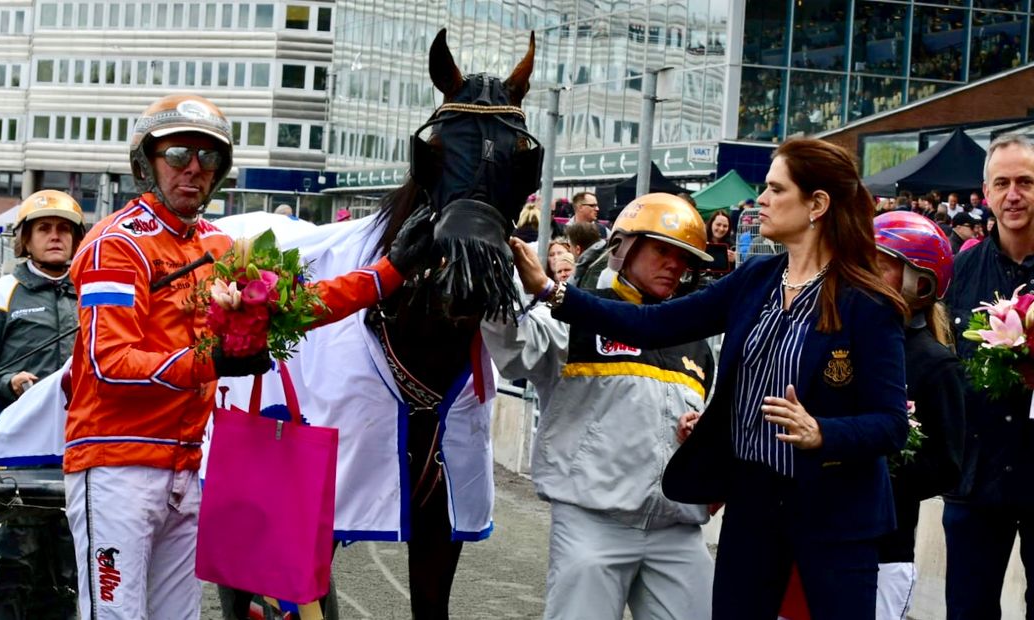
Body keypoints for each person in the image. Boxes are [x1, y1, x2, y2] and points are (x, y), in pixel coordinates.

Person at [63, 93, 435, 619]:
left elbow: (294, 307)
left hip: (186, 467)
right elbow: (110, 364)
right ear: (147, 162)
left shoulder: (218, 246)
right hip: (116, 467)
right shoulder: (116, 245)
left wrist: (387, 274)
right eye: (178, 155)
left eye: (209, 158)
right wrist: (214, 362)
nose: (194, 169)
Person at [511, 138, 909, 619]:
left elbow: (891, 424)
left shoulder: (868, 302)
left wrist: (822, 432)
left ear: (816, 205)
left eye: (775, 189)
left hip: (835, 512)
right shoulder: (756, 279)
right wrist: (553, 292)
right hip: (754, 503)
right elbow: (652, 323)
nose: (759, 199)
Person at [485, 193, 716, 620]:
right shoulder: (575, 314)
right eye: (662, 249)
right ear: (623, 247)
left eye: (683, 257)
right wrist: (491, 274)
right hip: (594, 524)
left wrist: (704, 434)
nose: (674, 264)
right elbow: (514, 349)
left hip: (678, 529)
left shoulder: (697, 343)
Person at [0, 189, 85, 619]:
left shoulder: (92, 294)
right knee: (13, 571)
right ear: (25, 240)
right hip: (16, 458)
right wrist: (7, 382)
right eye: (44, 228)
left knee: (69, 579)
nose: (55, 236)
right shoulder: (2, 291)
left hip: (79, 455)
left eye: (64, 229)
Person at [943, 133, 1034, 620]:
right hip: (975, 479)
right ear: (986, 193)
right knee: (968, 610)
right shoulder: (958, 273)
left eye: (1025, 182)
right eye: (1003, 183)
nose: (1013, 194)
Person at [872, 212, 965, 620]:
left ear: (920, 282)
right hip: (822, 536)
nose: (866, 272)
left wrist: (876, 463)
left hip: (885, 549)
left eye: (883, 264)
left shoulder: (935, 364)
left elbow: (947, 466)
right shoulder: (847, 339)